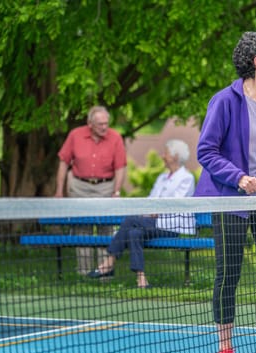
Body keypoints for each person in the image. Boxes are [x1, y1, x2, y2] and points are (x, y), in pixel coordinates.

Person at [194, 32, 256, 353]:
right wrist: (238, 178)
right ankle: (224, 350)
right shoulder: (224, 101)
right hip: (231, 200)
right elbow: (206, 151)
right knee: (227, 276)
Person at [87, 139, 196, 288]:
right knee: (134, 233)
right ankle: (141, 280)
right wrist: (150, 210)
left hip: (172, 226)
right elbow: (150, 200)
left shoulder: (187, 178)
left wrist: (155, 210)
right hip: (153, 223)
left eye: (166, 153)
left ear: (175, 157)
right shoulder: (162, 178)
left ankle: (109, 262)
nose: (162, 156)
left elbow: (175, 204)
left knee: (131, 220)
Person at [54, 105, 127, 275]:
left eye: (106, 123)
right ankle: (84, 273)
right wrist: (59, 191)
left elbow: (121, 167)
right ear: (90, 124)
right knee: (82, 229)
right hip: (80, 186)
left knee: (106, 229)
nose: (104, 127)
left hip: (105, 187)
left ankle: (103, 272)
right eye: (100, 124)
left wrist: (116, 191)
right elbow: (63, 162)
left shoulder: (115, 138)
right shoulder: (75, 135)